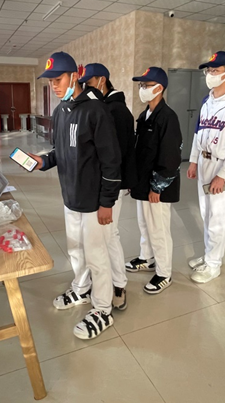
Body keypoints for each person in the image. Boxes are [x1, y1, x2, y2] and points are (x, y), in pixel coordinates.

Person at [26, 52, 122, 340]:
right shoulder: (61, 111)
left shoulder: (96, 111)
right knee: (75, 249)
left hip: (94, 202)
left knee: (96, 255)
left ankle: (103, 309)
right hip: (71, 196)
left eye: (58, 80)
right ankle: (81, 289)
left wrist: (107, 202)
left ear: (74, 77)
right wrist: (43, 161)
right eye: (50, 82)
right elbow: (60, 151)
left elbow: (112, 162)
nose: (54, 86)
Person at [185, 52, 225, 283]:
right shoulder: (207, 100)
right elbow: (198, 134)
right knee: (206, 213)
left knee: (217, 217)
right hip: (204, 162)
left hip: (222, 165)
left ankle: (214, 265)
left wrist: (223, 175)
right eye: (209, 70)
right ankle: (208, 255)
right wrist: (194, 161)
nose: (210, 74)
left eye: (215, 70)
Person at [79, 63, 137, 311]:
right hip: (102, 184)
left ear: (102, 80)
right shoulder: (102, 107)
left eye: (90, 83)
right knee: (105, 235)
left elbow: (114, 158)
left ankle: (118, 285)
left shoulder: (116, 111)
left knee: (109, 235)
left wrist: (108, 193)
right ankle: (109, 280)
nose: (86, 88)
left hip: (112, 185)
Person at [125, 67, 183, 294]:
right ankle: (147, 257)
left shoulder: (167, 117)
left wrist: (157, 187)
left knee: (158, 229)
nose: (142, 89)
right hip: (143, 182)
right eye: (141, 85)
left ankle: (164, 272)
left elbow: (170, 157)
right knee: (144, 224)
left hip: (157, 186)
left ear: (159, 88)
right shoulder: (145, 115)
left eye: (146, 85)